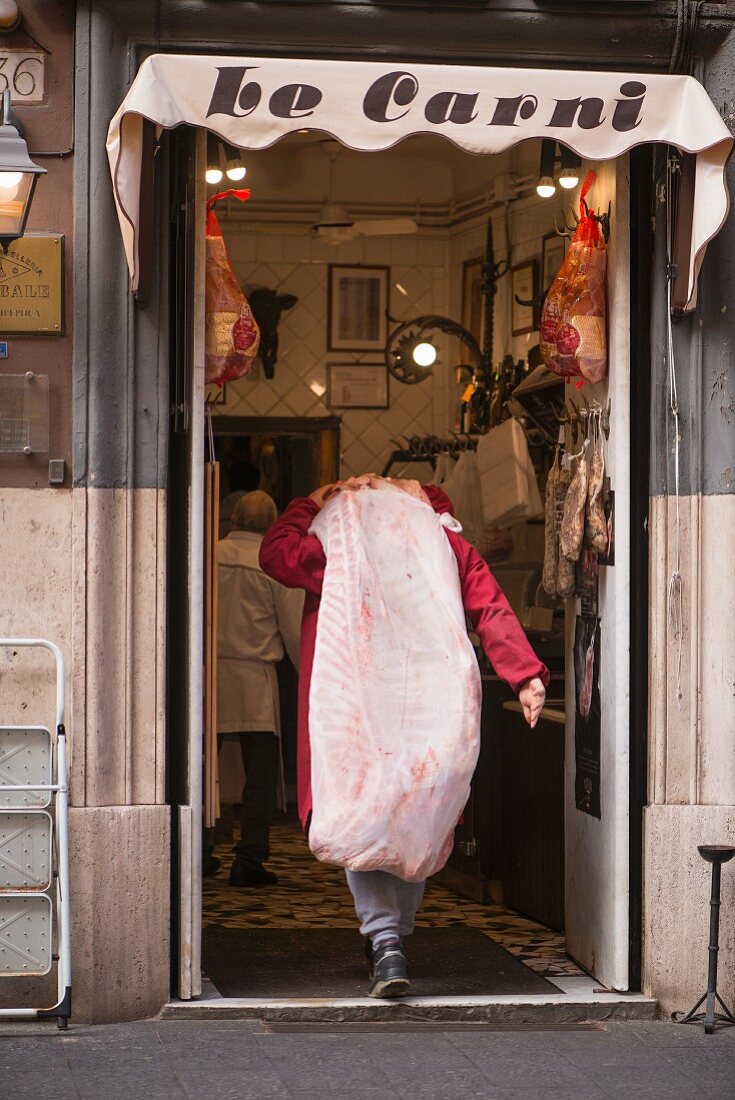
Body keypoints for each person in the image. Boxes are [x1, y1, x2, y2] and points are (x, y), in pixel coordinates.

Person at [259, 475, 548, 996]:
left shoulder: (342, 546)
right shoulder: (437, 543)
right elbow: (490, 606)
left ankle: (388, 939)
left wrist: (312, 499)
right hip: (409, 709)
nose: (377, 489)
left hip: (375, 709)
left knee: (388, 813)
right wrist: (523, 674)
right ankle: (388, 938)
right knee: (394, 811)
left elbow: (278, 552)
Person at [217, 490, 304, 887]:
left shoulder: (209, 555)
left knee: (204, 771)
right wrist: (309, 673)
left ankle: (198, 851)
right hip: (255, 677)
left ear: (233, 518)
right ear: (271, 524)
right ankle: (248, 859)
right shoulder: (271, 562)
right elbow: (292, 627)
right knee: (259, 776)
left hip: (209, 675)